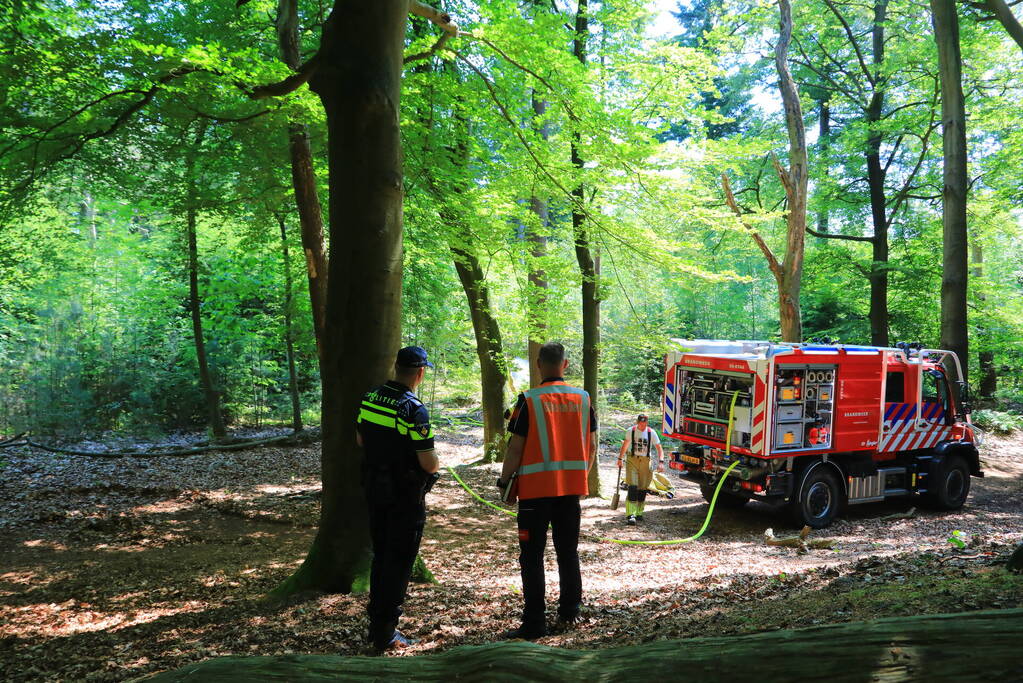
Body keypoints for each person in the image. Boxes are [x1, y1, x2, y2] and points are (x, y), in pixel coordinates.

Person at [497, 342, 597, 640]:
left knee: (531, 556)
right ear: (565, 365)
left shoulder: (528, 401)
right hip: (569, 493)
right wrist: (581, 479)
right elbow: (590, 445)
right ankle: (570, 610)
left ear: (539, 364)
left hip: (534, 494)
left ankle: (534, 622)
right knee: (568, 552)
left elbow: (515, 448)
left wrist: (504, 483)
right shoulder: (583, 399)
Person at [356, 345, 440, 652]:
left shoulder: (370, 398)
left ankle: (376, 625)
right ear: (419, 373)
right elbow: (428, 462)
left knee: (381, 556)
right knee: (400, 561)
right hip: (404, 496)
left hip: (374, 489)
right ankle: (386, 632)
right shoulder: (413, 409)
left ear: (396, 368)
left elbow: (360, 439)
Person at [616, 414, 664, 525]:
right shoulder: (630, 431)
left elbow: (659, 448)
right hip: (632, 460)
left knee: (642, 488)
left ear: (647, 423)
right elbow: (625, 445)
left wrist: (661, 462)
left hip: (646, 462)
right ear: (637, 422)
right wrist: (620, 458)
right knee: (633, 486)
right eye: (641, 424)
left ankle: (639, 512)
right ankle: (630, 514)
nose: (642, 426)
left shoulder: (651, 433)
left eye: (645, 424)